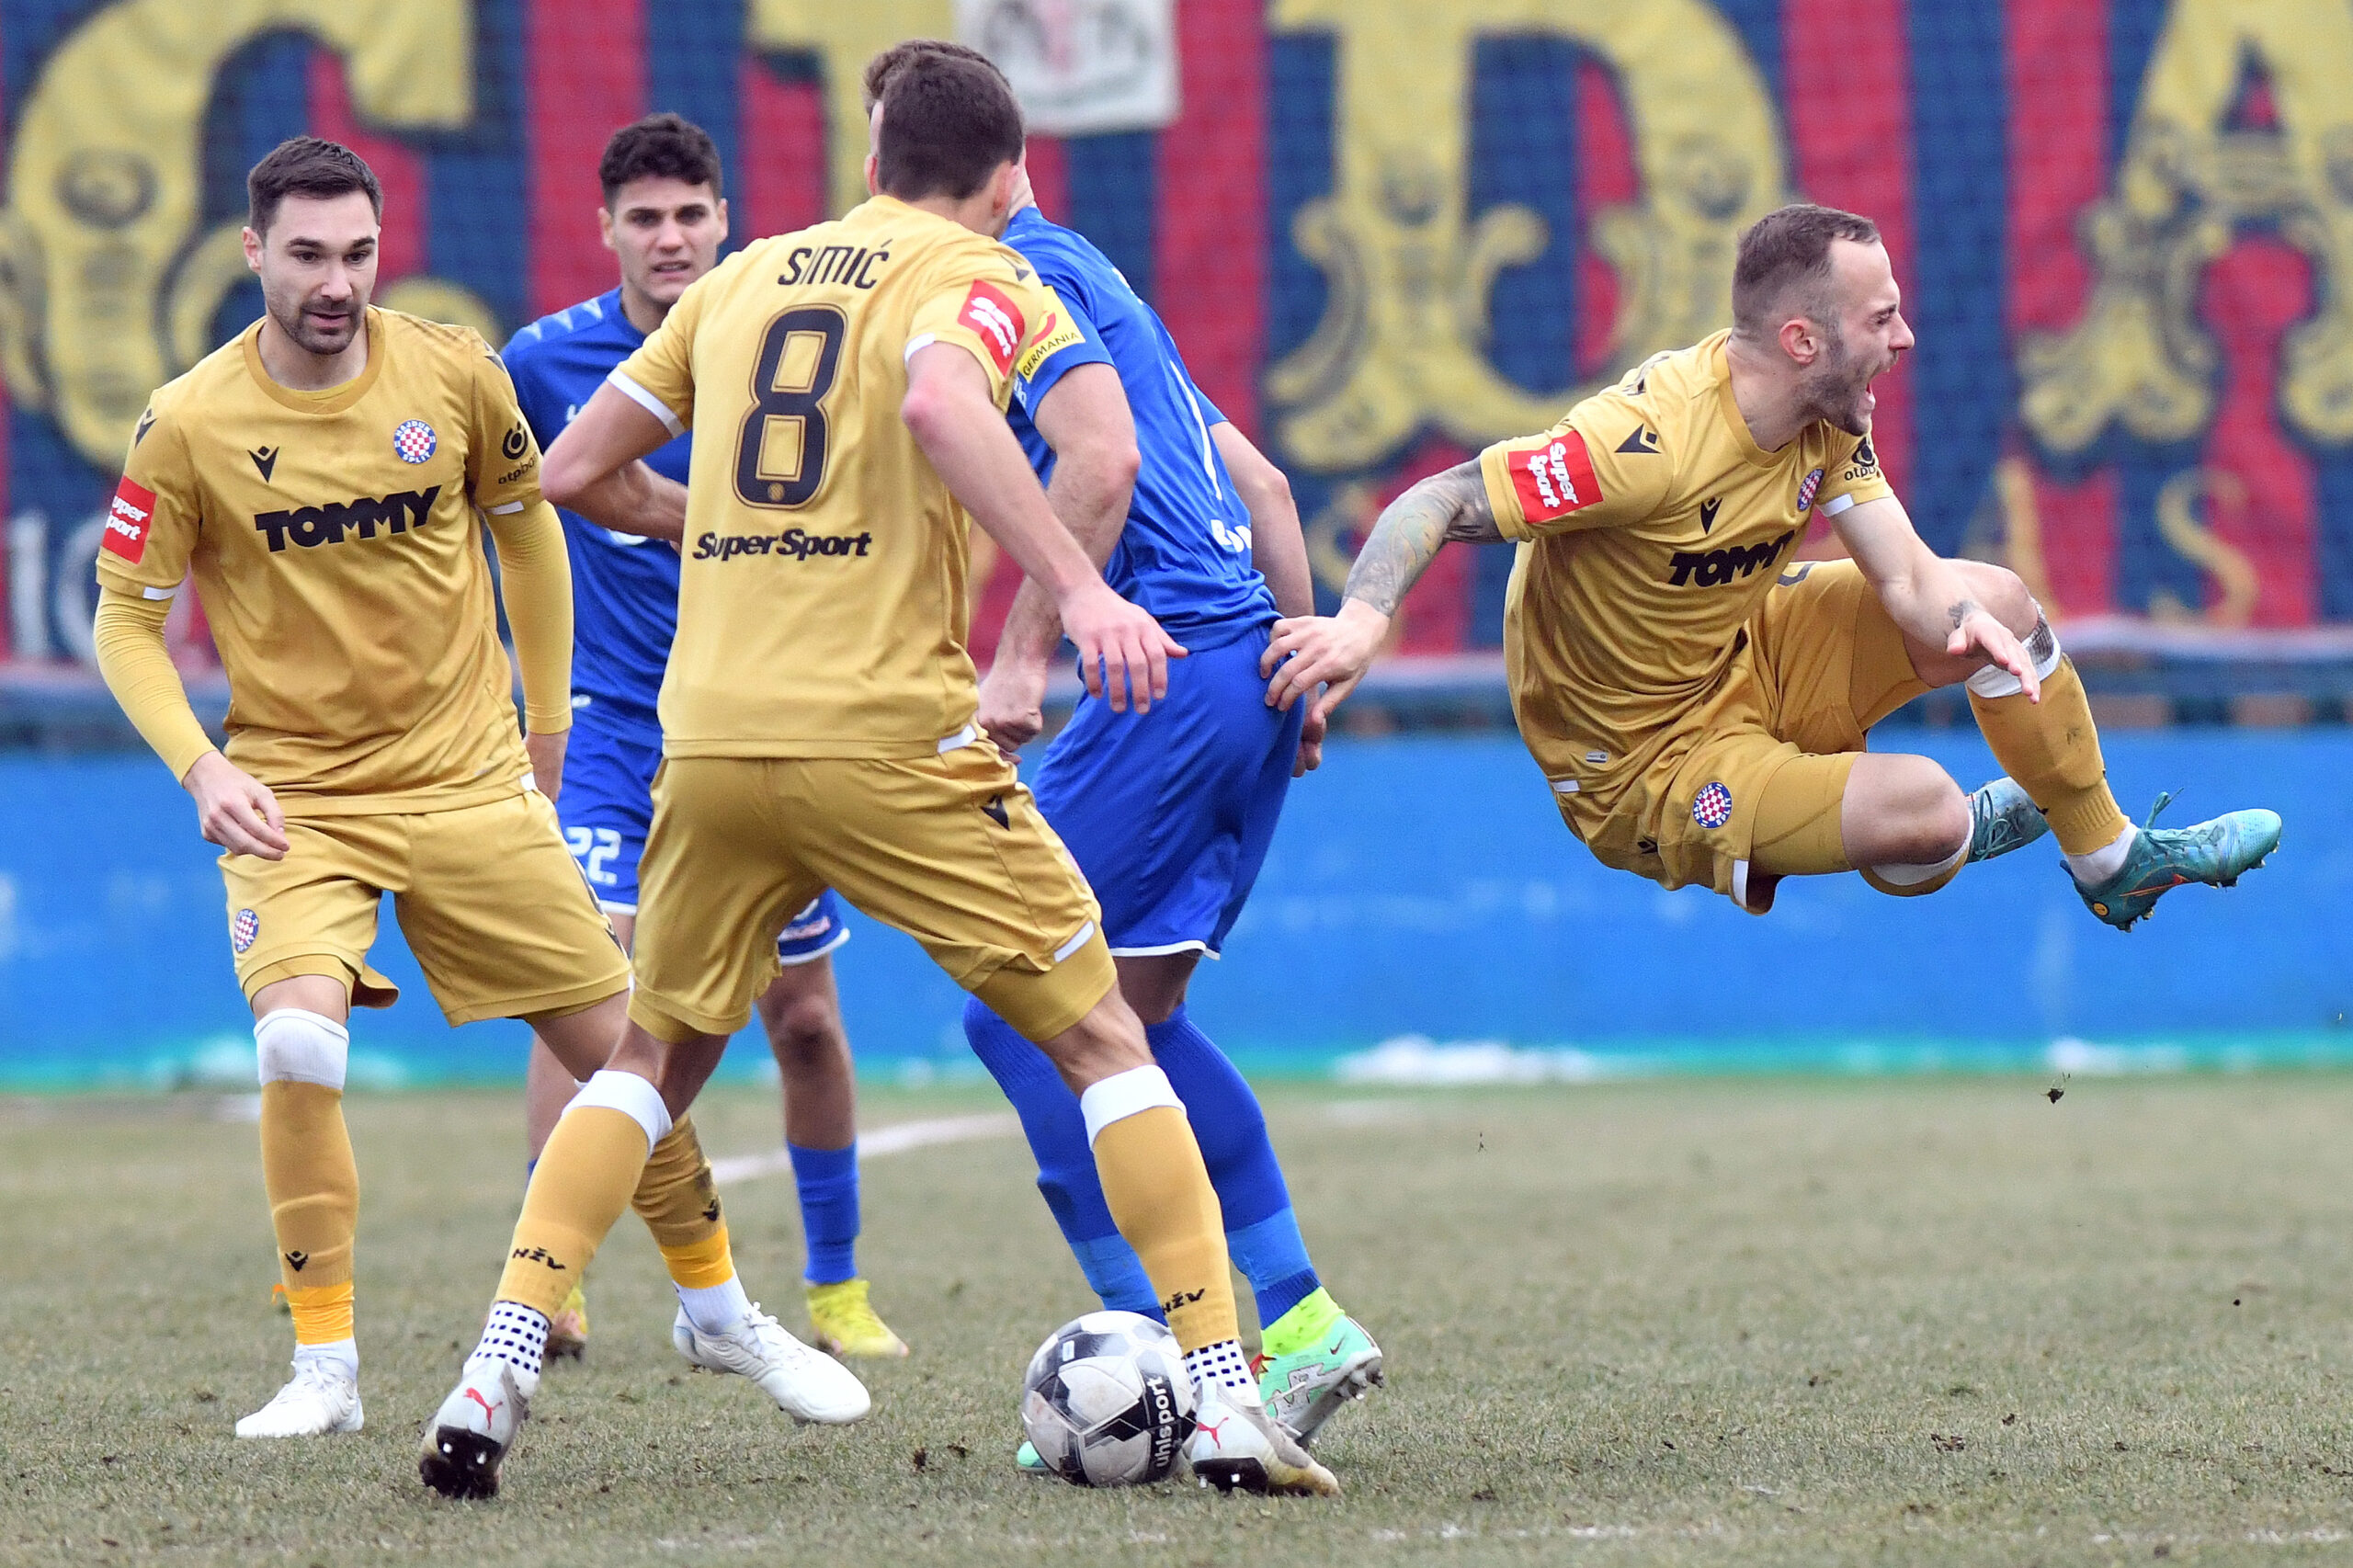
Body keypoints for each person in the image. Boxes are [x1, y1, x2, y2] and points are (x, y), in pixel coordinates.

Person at [416, 52, 1337, 1500]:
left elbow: (574, 469)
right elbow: (1054, 441)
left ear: (870, 158)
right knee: (1099, 1039)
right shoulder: (988, 273)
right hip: (889, 736)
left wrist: (707, 532)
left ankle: (494, 1368)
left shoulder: (742, 279)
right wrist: (1069, 608)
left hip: (710, 740)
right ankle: (1224, 1394)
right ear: (1011, 178)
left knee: (652, 1058)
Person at [91, 137, 862, 1442]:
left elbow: (531, 533)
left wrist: (545, 731)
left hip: (467, 780)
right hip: (298, 798)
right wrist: (203, 764)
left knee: (624, 1060)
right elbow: (126, 620)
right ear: (252, 253)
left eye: (357, 253)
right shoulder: (189, 423)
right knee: (297, 1038)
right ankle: (325, 1368)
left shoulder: (454, 372)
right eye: (307, 255)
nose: (336, 282)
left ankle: (720, 1309)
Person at [852, 42, 1381, 1460]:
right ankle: (1302, 1325)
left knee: (1017, 1014)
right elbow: (1262, 483)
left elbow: (1109, 472)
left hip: (1165, 683)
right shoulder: (1098, 276)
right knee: (1128, 1027)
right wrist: (1302, 662)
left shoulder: (1007, 291)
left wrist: (1023, 657)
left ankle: (1169, 1359)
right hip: (1245, 669)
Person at [1263, 202, 2280, 926]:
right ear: (1801, 337)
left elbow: (1914, 584)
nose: (1907, 337)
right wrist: (1361, 623)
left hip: (1748, 647)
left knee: (1998, 600)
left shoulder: (1829, 415)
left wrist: (1957, 625)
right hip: (1646, 766)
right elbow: (1438, 498)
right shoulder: (1640, 443)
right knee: (1922, 811)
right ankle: (1937, 829)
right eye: (1880, 318)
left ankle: (2110, 860)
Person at [502, 112, 904, 1364]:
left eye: (690, 215)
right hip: (621, 738)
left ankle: (834, 1285)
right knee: (593, 996)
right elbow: (507, 524)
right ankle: (550, 1280)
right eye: (646, 218)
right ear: (606, 229)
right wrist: (529, 711)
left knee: (806, 1022)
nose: (670, 237)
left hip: (764, 720)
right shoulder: (543, 364)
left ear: (725, 220)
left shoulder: (772, 340)